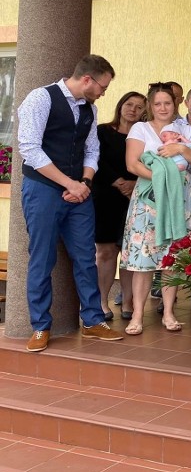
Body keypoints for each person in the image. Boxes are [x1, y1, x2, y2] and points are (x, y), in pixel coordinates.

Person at [17, 54, 125, 352]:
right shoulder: (41, 98)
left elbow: (92, 150)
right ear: (87, 80)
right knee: (42, 258)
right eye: (102, 86)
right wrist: (69, 184)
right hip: (43, 191)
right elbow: (29, 149)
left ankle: (92, 321)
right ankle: (40, 326)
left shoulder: (90, 108)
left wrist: (85, 183)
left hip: (80, 193)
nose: (104, 92)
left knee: (85, 257)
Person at [121, 83, 191, 335]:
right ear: (150, 105)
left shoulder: (187, 129)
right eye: (157, 103)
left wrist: (181, 148)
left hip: (180, 195)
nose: (162, 108)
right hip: (150, 197)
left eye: (167, 103)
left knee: (173, 256)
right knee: (143, 257)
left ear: (175, 104)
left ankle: (168, 312)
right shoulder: (140, 128)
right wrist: (160, 181)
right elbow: (132, 164)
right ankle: (137, 315)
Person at [93, 91, 145, 322]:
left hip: (135, 197)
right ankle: (102, 302)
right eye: (129, 104)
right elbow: (95, 159)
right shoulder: (102, 131)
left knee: (129, 252)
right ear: (120, 105)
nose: (133, 109)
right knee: (105, 252)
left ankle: (127, 301)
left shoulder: (145, 135)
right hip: (105, 196)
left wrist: (134, 184)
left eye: (139, 106)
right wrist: (119, 182)